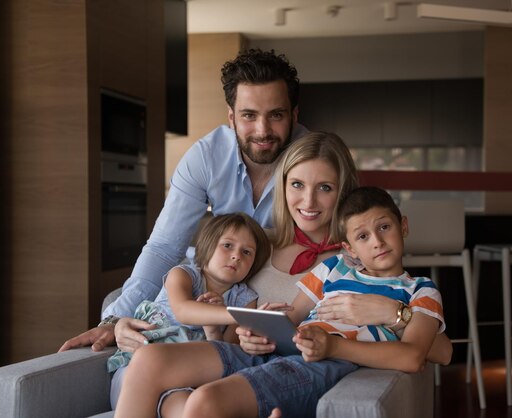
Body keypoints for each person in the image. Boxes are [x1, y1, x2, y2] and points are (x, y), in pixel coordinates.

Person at [113, 147, 452, 418]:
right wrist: (254, 329)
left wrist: (391, 313)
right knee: (148, 361)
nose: (376, 242)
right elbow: (289, 318)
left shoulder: (414, 288)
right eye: (297, 185)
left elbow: (430, 353)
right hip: (277, 350)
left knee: (204, 402)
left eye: (325, 188)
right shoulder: (299, 255)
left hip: (321, 361)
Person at [59, 48, 306, 354]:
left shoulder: (314, 161)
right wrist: (113, 319)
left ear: (294, 116)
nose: (263, 130)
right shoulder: (206, 157)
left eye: (276, 115)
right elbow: (165, 246)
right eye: (248, 115)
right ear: (231, 117)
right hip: (213, 292)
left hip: (274, 297)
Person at [106, 213, 270, 388]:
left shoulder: (245, 299)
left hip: (190, 372)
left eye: (247, 252)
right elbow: (183, 311)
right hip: (140, 361)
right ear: (207, 245)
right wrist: (245, 317)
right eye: (227, 245)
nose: (237, 256)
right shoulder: (184, 274)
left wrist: (213, 328)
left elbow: (226, 354)